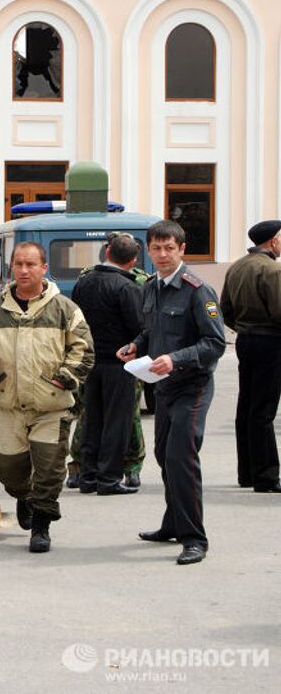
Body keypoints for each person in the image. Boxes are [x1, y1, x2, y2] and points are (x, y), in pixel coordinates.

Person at [0, 241, 94, 553]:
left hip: (51, 406)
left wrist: (64, 379)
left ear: (43, 268)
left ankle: (41, 524)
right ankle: (24, 497)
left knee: (50, 470)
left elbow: (84, 350)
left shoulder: (65, 309)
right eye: (18, 264)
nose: (24, 270)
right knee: (9, 471)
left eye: (31, 265)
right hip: (9, 405)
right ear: (11, 267)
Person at [117, 220, 226, 566]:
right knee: (165, 456)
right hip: (162, 386)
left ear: (182, 249)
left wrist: (174, 359)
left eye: (169, 248)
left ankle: (194, 538)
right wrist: (135, 346)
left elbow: (214, 343)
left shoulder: (198, 291)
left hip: (192, 386)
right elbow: (151, 329)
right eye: (156, 248)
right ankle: (173, 523)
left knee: (182, 458)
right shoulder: (152, 286)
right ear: (147, 251)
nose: (162, 254)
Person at [72, 234, 144, 495]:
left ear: (107, 252)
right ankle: (109, 479)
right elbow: (138, 327)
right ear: (133, 260)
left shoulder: (84, 282)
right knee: (117, 422)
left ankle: (88, 476)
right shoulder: (127, 287)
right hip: (119, 363)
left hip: (90, 362)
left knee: (92, 419)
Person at [220, 219, 281, 493]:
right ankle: (266, 476)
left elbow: (224, 309)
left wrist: (243, 328)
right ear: (272, 241)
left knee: (247, 407)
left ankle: (247, 472)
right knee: (263, 410)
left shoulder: (236, 267)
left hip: (246, 340)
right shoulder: (272, 270)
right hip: (271, 341)